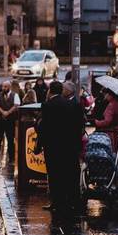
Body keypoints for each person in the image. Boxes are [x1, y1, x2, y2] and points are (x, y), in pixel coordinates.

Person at [34, 81, 86, 214]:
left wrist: (38, 145)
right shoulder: (72, 105)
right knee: (70, 173)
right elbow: (79, 125)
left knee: (54, 174)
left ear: (49, 91)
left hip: (53, 146)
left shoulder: (47, 105)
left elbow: (44, 128)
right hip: (70, 146)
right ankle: (73, 201)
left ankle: (57, 202)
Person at [0, 80, 21, 165]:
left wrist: (8, 112)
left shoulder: (15, 95)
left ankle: (11, 158)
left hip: (10, 121)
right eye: (3, 86)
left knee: (10, 139)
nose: (3, 88)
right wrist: (3, 112)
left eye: (5, 87)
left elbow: (16, 105)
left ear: (9, 87)